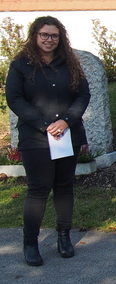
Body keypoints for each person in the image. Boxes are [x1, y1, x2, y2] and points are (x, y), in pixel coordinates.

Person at [5, 16, 91, 266]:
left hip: (67, 134)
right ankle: (30, 243)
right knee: (39, 189)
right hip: (36, 138)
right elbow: (15, 98)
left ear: (60, 38)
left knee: (64, 187)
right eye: (44, 34)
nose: (49, 39)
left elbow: (83, 95)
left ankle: (64, 237)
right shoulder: (21, 65)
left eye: (54, 35)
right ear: (35, 36)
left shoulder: (70, 64)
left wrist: (66, 121)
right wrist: (44, 125)